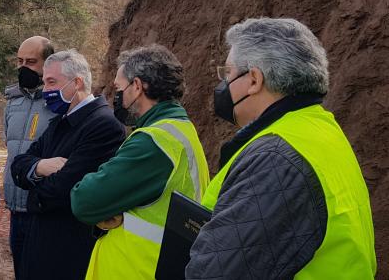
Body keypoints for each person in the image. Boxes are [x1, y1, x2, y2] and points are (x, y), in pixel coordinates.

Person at [187, 18, 376, 278]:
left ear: (254, 79)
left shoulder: (275, 159)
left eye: (228, 73)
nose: (223, 85)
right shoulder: (320, 131)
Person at [70, 44, 209, 279]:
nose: (116, 97)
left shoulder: (152, 142)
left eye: (118, 88)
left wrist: (109, 208)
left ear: (137, 86)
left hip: (139, 268)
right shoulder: (181, 129)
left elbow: (84, 200)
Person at [10, 49, 125, 280]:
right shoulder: (60, 122)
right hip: (41, 244)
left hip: (68, 252)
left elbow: (63, 191)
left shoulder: (104, 126)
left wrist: (33, 193)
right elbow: (18, 165)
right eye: (44, 83)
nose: (46, 90)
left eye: (52, 82)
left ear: (78, 82)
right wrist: (40, 167)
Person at [3, 36, 58, 274]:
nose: (23, 67)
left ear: (48, 65)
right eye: (20, 61)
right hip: (16, 210)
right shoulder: (12, 103)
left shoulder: (59, 104)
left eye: (31, 61)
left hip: (44, 210)